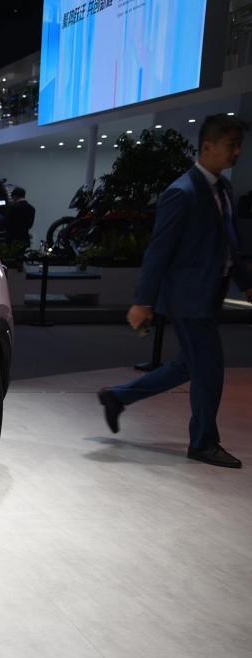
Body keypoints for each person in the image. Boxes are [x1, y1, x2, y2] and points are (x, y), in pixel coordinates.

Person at [97, 114, 252, 468]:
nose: (237, 152)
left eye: (239, 146)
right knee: (209, 369)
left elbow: (230, 243)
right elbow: (159, 252)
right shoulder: (181, 192)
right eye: (231, 145)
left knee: (188, 365)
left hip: (209, 295)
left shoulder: (223, 189)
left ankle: (118, 397)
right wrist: (143, 301)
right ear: (208, 147)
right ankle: (203, 443)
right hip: (187, 299)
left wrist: (247, 284)